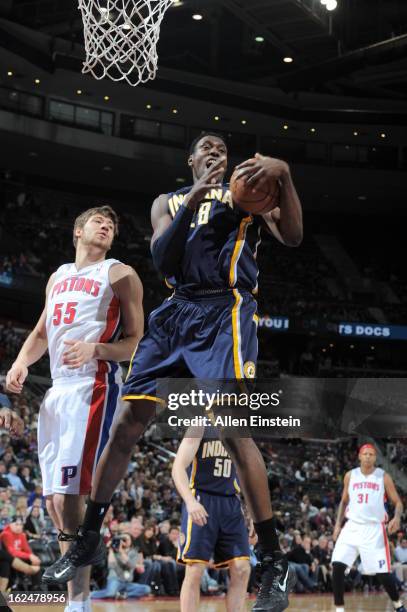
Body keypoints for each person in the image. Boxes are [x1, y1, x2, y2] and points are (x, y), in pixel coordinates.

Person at [44, 133, 303, 611]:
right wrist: (199, 195)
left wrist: (283, 174)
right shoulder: (167, 201)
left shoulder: (245, 192)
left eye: (222, 150)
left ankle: (272, 560)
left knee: (232, 429)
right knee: (126, 425)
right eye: (206, 147)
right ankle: (88, 537)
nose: (215, 153)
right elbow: (164, 257)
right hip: (175, 312)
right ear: (190, 159)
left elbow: (293, 235)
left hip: (225, 311)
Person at [5, 205, 144, 612]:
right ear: (78, 231)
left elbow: (136, 340)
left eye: (113, 225)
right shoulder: (58, 276)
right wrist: (19, 363)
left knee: (70, 494)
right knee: (51, 500)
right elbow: (40, 333)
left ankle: (78, 600)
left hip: (93, 384)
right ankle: (85, 557)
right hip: (57, 391)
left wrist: (96, 348)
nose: (107, 226)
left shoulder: (119, 274)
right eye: (99, 221)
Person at [172, 426, 251, 612]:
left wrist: (253, 514)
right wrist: (190, 502)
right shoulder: (200, 424)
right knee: (195, 569)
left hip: (232, 503)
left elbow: (248, 474)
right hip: (202, 499)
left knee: (242, 569)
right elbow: (178, 467)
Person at [332, 443, 406, 612]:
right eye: (365, 453)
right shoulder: (350, 476)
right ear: (359, 456)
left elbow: (398, 503)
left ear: (375, 457)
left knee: (382, 573)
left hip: (374, 530)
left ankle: (398, 605)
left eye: (371, 454)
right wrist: (337, 525)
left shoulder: (383, 476)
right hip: (352, 527)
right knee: (337, 566)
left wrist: (397, 516)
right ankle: (339, 609)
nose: (368, 456)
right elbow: (344, 502)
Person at [90, 533, 151, 600]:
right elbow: (111, 565)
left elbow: (130, 565)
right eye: (122, 539)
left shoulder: (134, 553)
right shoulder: (114, 552)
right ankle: (89, 594)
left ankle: (123, 595)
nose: (124, 541)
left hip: (127, 583)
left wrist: (121, 551)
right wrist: (111, 550)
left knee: (147, 589)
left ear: (131, 541)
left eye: (126, 539)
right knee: (110, 593)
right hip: (115, 580)